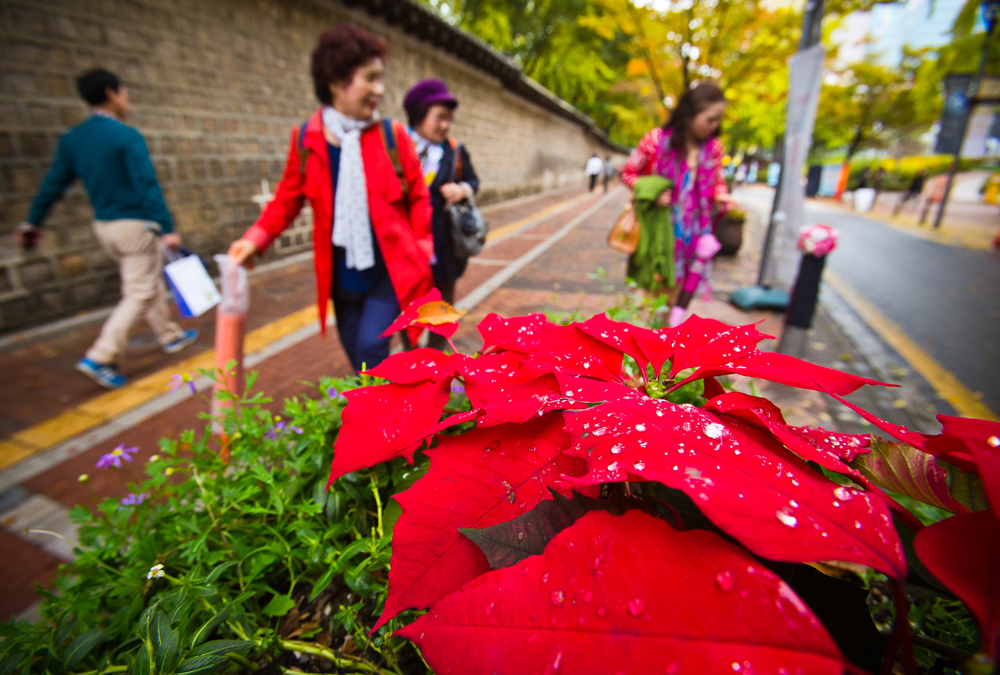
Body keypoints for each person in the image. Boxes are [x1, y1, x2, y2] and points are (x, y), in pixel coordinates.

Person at [226, 24, 433, 373]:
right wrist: (254, 239)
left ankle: (392, 418)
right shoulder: (306, 140)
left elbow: (419, 195)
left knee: (371, 345)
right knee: (357, 354)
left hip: (390, 271)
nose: (379, 90)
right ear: (336, 82)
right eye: (369, 79)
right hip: (341, 277)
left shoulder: (392, 136)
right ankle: (379, 414)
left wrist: (424, 247)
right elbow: (287, 200)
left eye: (380, 79)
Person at [14, 69, 197, 389]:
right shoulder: (126, 137)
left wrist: (33, 221)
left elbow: (52, 186)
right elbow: (147, 186)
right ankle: (101, 355)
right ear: (112, 93)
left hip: (105, 228)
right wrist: (167, 227)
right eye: (124, 92)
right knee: (139, 290)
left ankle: (170, 335)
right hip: (135, 225)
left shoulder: (73, 139)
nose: (126, 99)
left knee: (144, 280)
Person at [621, 80, 733, 327]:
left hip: (691, 240)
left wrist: (720, 196)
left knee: (676, 302)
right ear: (691, 113)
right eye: (710, 119)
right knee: (644, 300)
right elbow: (628, 172)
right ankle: (638, 351)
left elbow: (717, 182)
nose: (715, 126)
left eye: (718, 120)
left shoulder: (713, 148)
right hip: (656, 232)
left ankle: (661, 351)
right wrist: (652, 192)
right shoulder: (655, 140)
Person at [403, 79, 480, 351]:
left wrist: (461, 189)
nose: (445, 125)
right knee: (408, 307)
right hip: (407, 245)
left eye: (449, 119)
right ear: (419, 115)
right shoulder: (397, 148)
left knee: (441, 305)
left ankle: (435, 357)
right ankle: (410, 357)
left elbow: (473, 180)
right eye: (439, 118)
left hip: (444, 244)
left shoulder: (454, 150)